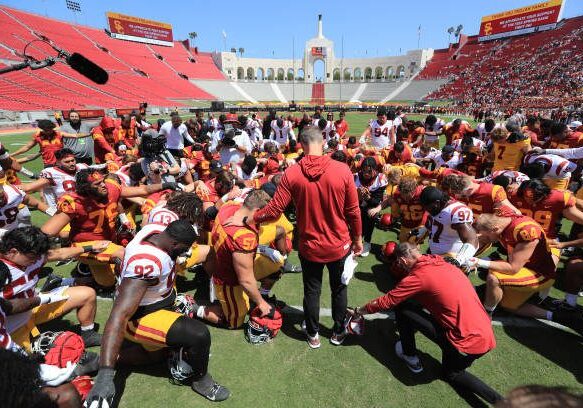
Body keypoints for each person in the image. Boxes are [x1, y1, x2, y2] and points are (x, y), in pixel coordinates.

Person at [84, 220, 230, 406]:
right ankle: (201, 380)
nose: (186, 253)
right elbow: (119, 315)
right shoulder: (146, 263)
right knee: (199, 335)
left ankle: (95, 361)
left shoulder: (156, 230)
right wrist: (105, 376)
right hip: (140, 316)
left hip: (157, 302)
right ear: (174, 244)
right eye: (184, 249)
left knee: (155, 357)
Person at [250, 127, 362, 348]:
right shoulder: (342, 170)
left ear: (301, 144)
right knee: (339, 289)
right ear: (323, 142)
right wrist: (358, 238)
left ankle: (312, 333)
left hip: (310, 246)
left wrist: (250, 218)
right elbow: (354, 211)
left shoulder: (292, 173)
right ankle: (338, 332)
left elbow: (273, 210)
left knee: (312, 290)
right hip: (339, 244)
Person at [352, 243, 502, 405]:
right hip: (486, 335)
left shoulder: (418, 278)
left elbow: (386, 301)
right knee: (415, 304)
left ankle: (410, 355)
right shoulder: (441, 261)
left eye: (400, 263)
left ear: (403, 260)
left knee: (453, 374)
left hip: (466, 342)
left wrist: (359, 311)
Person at [471, 213, 583, 335]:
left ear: (495, 229)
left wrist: (477, 262)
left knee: (494, 278)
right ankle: (559, 317)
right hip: (524, 267)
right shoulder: (502, 221)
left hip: (540, 273)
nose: (486, 239)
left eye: (487, 236)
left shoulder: (525, 230)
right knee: (509, 306)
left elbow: (513, 268)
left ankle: (487, 315)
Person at [0, 227, 107, 350]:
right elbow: (7, 307)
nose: (36, 260)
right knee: (29, 364)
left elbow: (58, 253)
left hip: (32, 310)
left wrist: (90, 247)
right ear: (13, 252)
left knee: (86, 294)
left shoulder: (29, 256)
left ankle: (88, 334)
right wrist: (43, 299)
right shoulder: (3, 272)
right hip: (10, 328)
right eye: (32, 257)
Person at [418, 186, 478, 266]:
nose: (427, 210)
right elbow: (432, 226)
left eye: (429, 207)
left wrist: (459, 259)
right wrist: (419, 233)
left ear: (437, 202)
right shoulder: (436, 208)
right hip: (434, 254)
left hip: (451, 258)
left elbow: (472, 239)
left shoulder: (456, 211)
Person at [354, 157, 388, 256]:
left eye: (369, 171)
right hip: (357, 204)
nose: (366, 174)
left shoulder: (380, 179)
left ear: (375, 170)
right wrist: (358, 195)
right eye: (364, 171)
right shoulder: (355, 177)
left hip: (371, 205)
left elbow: (377, 201)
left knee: (371, 214)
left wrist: (368, 197)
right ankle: (355, 238)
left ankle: (367, 241)